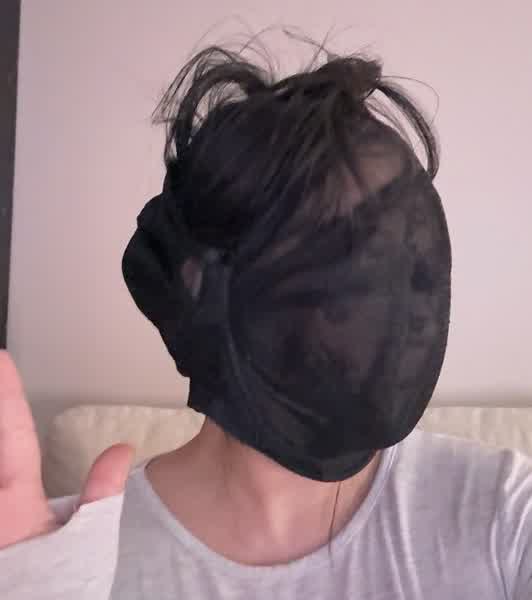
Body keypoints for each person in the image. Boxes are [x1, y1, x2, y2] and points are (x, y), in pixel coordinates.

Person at [1, 42, 531, 600]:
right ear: (200, 288)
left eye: (403, 269)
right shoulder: (61, 562)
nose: (399, 318)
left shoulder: (503, 514)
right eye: (342, 272)